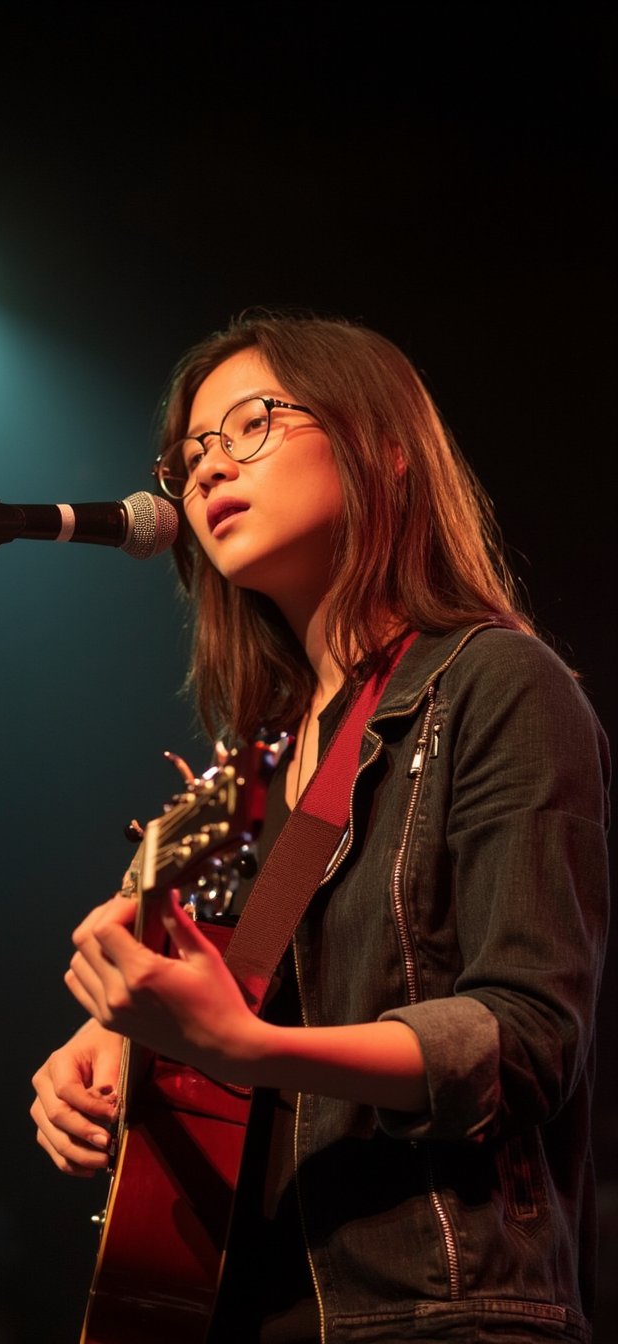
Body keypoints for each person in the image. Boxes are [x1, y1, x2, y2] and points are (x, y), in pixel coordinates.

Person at [30, 310, 610, 1342]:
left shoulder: (495, 684)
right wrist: (123, 1036)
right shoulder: (258, 765)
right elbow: (230, 1025)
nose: (209, 470)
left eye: (252, 424)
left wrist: (247, 1047)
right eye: (190, 453)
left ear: (384, 450)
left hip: (438, 1312)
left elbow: (526, 1037)